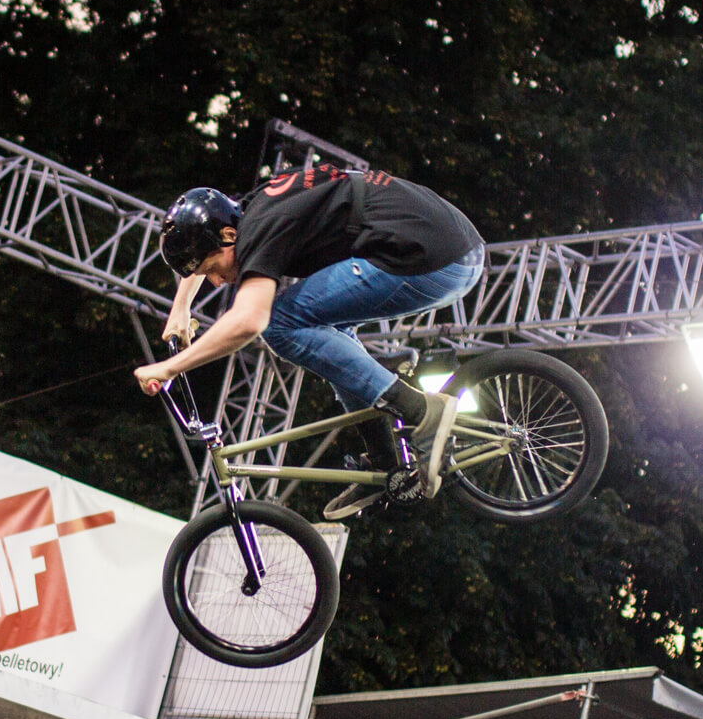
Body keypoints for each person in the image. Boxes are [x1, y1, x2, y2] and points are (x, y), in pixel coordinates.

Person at [134, 163, 486, 520]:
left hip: (433, 257)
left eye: (211, 269)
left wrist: (169, 368)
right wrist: (180, 308)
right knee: (328, 341)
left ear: (228, 235)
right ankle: (383, 461)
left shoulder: (259, 228)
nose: (216, 281)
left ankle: (421, 411)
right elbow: (208, 239)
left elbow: (250, 320)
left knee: (280, 322)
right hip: (450, 247)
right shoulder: (246, 212)